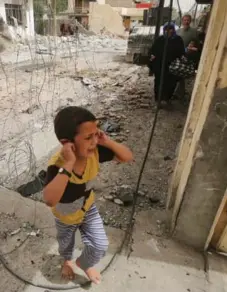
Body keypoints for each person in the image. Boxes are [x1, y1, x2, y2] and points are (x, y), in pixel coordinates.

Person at [43, 106, 133, 284]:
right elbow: (49, 199)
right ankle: (67, 260)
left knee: (100, 245)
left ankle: (84, 263)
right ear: (67, 143)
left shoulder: (95, 152)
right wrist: (69, 164)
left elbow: (127, 157)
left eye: (96, 134)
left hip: (88, 208)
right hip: (66, 215)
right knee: (65, 243)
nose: (94, 141)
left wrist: (106, 141)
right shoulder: (58, 165)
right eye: (88, 137)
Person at [150, 22, 185, 105]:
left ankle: (167, 98)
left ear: (173, 30)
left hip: (172, 66)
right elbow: (153, 50)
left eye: (170, 29)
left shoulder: (178, 40)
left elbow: (181, 52)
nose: (168, 31)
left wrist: (182, 57)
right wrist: (152, 56)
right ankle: (158, 99)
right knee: (159, 82)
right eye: (166, 29)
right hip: (160, 66)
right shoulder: (160, 39)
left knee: (171, 83)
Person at [175, 14, 198, 99]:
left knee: (182, 74)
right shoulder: (178, 31)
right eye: (185, 20)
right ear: (182, 21)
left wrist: (191, 49)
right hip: (178, 54)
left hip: (188, 55)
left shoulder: (194, 31)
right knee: (176, 73)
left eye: (188, 20)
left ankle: (180, 93)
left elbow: (195, 43)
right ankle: (178, 92)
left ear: (190, 21)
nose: (186, 21)